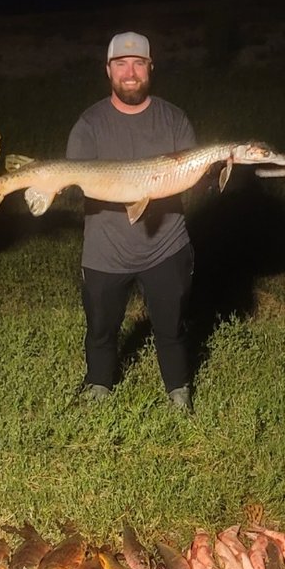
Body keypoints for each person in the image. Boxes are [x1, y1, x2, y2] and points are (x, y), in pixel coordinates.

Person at [66, 31, 198, 412]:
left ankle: (178, 391)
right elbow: (77, 182)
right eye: (121, 64)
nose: (130, 72)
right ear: (108, 70)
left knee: (171, 327)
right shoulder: (89, 124)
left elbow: (190, 179)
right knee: (101, 328)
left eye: (138, 63)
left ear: (150, 68)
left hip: (166, 246)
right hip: (105, 250)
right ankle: (98, 386)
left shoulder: (174, 119)